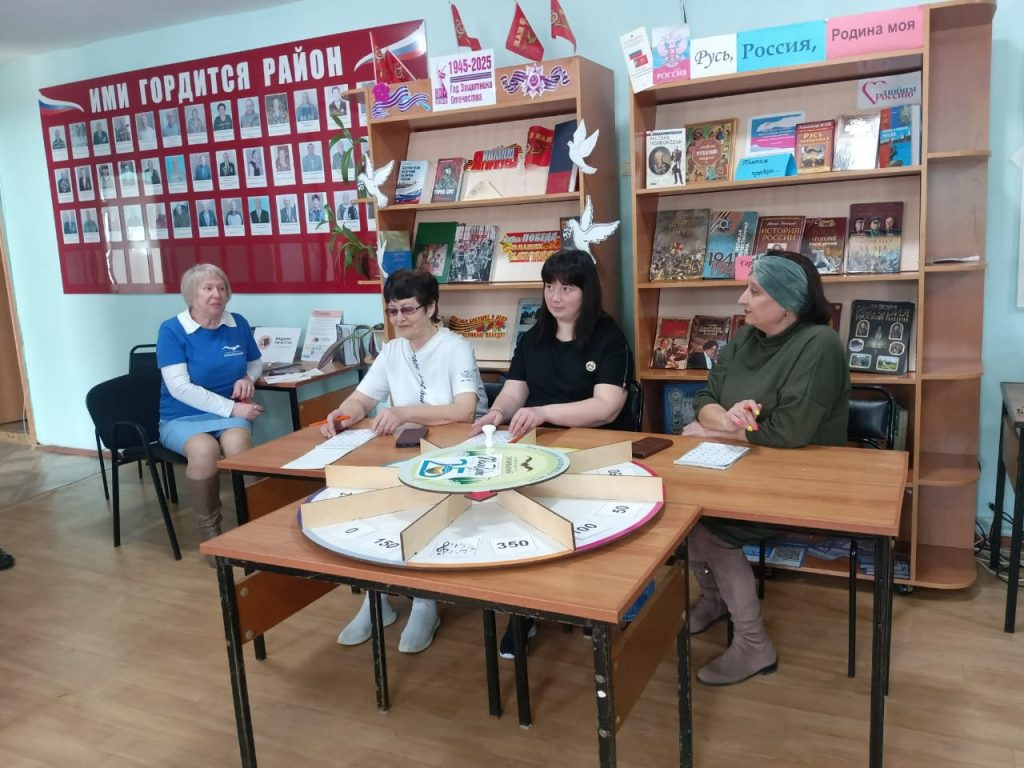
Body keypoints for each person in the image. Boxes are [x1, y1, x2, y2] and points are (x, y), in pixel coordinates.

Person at [681, 251, 849, 686]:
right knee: (682, 513)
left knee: (712, 530)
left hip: (803, 475)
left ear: (788, 301)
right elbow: (705, 399)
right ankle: (717, 600)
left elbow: (790, 431)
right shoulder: (745, 337)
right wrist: (722, 421)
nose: (742, 299)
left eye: (754, 291)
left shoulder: (820, 344)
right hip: (745, 465)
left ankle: (754, 645)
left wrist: (717, 433)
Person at [471, 249, 633, 657]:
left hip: (594, 447)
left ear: (587, 291)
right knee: (512, 515)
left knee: (582, 521)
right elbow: (514, 392)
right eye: (549, 287)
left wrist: (544, 412)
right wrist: (496, 413)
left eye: (567, 288)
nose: (555, 297)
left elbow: (606, 408)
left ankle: (590, 603)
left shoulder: (608, 337)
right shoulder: (534, 337)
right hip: (539, 446)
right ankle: (523, 610)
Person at [321, 269, 487, 653]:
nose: (399, 318)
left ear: (430, 307)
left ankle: (425, 602)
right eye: (392, 310)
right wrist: (342, 414)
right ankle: (376, 597)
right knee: (367, 499)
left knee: (418, 501)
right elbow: (363, 398)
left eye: (408, 309)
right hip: (407, 449)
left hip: (456, 451)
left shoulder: (455, 347)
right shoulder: (393, 349)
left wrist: (403, 411)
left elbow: (464, 410)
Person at [157, 264, 264, 562]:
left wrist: (247, 378)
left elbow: (255, 362)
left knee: (239, 446)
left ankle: (256, 526)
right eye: (207, 288)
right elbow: (180, 388)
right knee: (204, 451)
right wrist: (233, 407)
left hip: (229, 414)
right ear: (192, 294)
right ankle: (211, 536)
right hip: (181, 416)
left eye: (221, 288)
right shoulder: (172, 330)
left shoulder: (237, 323)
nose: (216, 294)